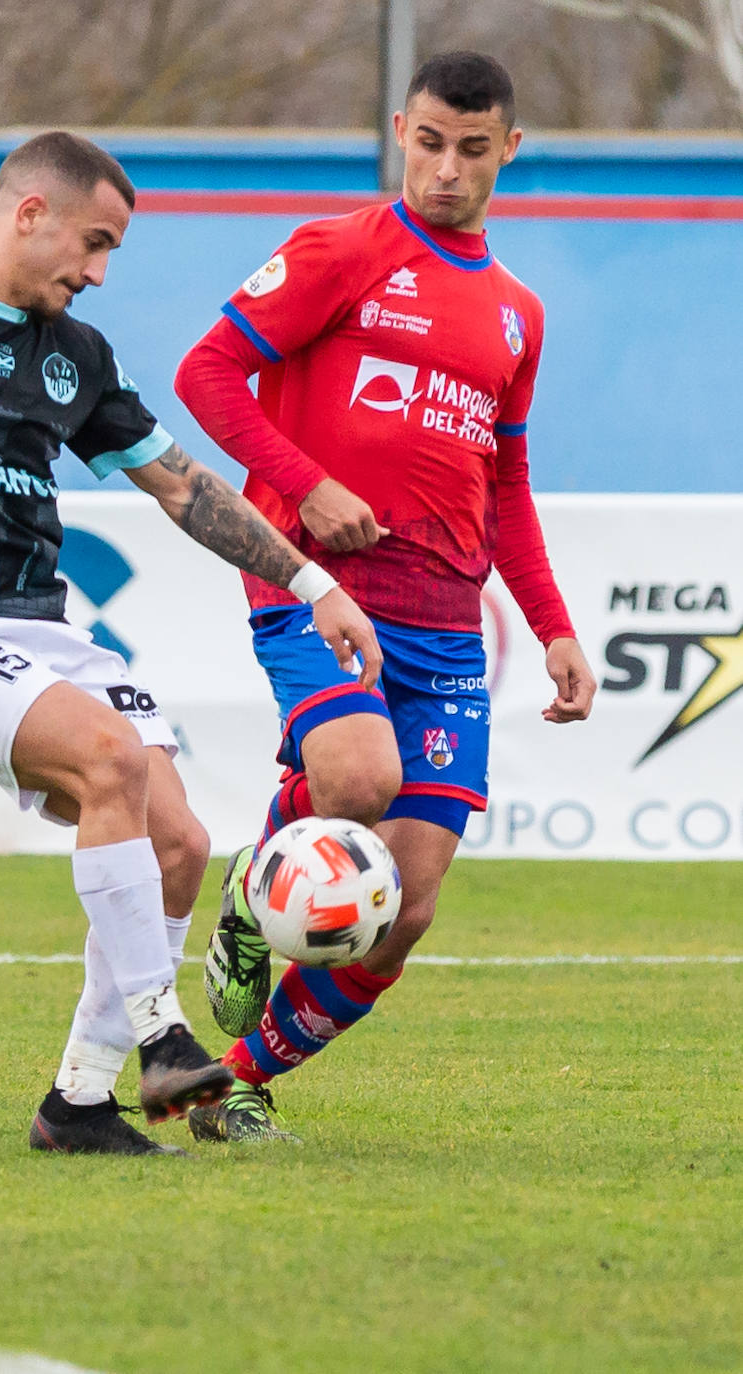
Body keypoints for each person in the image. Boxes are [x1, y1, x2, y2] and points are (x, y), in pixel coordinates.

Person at [0, 131, 383, 1156]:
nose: (95, 273)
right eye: (92, 245)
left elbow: (182, 485)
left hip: (40, 634)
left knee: (178, 843)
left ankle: (78, 1103)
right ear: (27, 211)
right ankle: (161, 1035)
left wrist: (312, 583)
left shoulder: (74, 357)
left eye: (110, 256)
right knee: (109, 759)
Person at [175, 52, 597, 1144]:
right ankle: (250, 892)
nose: (445, 170)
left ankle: (232, 1083)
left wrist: (550, 627)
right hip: (324, 588)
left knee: (402, 912)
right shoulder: (343, 249)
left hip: (448, 615)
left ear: (507, 151)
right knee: (356, 779)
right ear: (398, 130)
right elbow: (205, 373)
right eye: (427, 143)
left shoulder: (515, 315)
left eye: (471, 150)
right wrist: (307, 491)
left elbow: (503, 480)